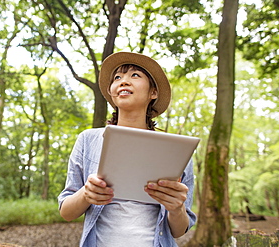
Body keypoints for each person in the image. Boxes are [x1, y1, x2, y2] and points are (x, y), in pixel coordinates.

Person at [58, 52, 196, 247]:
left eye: (135, 75)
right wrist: (86, 194)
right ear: (112, 92)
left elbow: (179, 230)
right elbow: (66, 212)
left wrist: (176, 208)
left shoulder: (176, 151)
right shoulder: (87, 140)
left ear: (153, 93)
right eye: (117, 78)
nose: (123, 81)